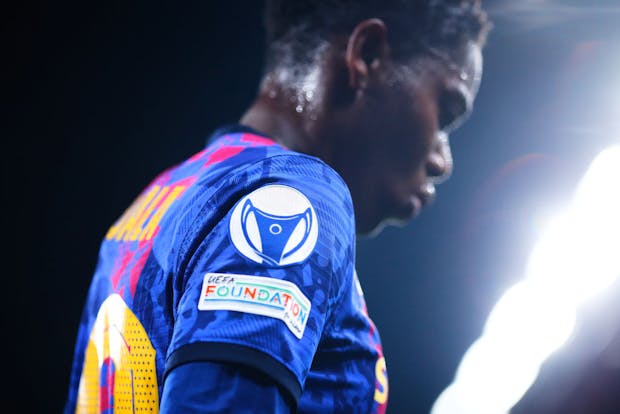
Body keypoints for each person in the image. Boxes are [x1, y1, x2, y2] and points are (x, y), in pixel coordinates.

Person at [64, 1, 491, 413]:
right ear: (368, 55)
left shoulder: (166, 193)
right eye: (446, 113)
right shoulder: (294, 199)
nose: (442, 160)